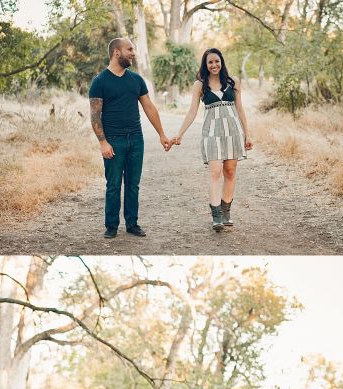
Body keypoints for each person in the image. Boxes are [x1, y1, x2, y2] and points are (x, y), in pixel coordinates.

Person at [89, 38, 173, 240]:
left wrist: (162, 134)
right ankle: (111, 226)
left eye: (133, 49)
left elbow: (149, 107)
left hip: (136, 139)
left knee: (133, 184)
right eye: (130, 49)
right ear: (116, 52)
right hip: (114, 141)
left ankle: (132, 223)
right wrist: (103, 142)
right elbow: (94, 115)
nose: (133, 53)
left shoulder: (136, 80)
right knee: (113, 185)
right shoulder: (100, 81)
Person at [172, 47, 253, 232]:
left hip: (233, 131)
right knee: (215, 172)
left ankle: (226, 213)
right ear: (206, 65)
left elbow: (240, 109)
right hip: (212, 132)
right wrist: (180, 133)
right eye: (210, 62)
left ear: (222, 62)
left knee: (230, 172)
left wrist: (247, 134)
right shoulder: (200, 85)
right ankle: (216, 216)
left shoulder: (234, 82)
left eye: (217, 61)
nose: (214, 65)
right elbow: (192, 111)